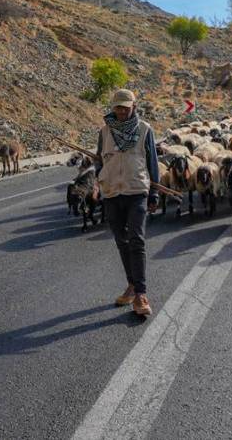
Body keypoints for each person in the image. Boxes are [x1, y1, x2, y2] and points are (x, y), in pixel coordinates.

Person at [94, 88, 160, 317]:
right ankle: (131, 285)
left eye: (125, 106)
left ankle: (141, 294)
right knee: (121, 241)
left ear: (133, 107)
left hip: (136, 189)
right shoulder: (104, 131)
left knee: (136, 238)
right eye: (118, 107)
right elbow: (99, 161)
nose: (121, 111)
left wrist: (154, 193)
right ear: (113, 108)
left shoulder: (144, 129)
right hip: (112, 191)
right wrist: (97, 184)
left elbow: (152, 160)